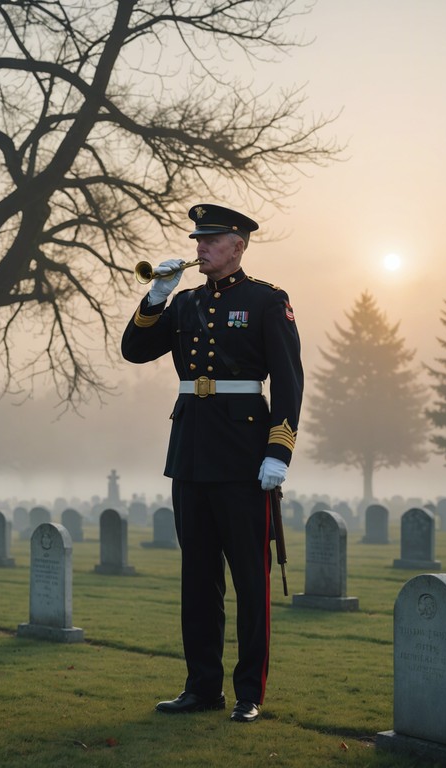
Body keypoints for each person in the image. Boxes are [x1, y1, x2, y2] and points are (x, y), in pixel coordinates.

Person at [120, 203, 304, 723]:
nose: (199, 247)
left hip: (246, 458)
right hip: (192, 454)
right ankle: (202, 687)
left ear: (237, 245)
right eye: (198, 239)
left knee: (250, 579)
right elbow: (134, 350)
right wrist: (154, 298)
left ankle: (249, 692)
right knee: (198, 580)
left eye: (211, 240)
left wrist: (279, 450)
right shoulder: (184, 303)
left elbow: (289, 381)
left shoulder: (267, 301)